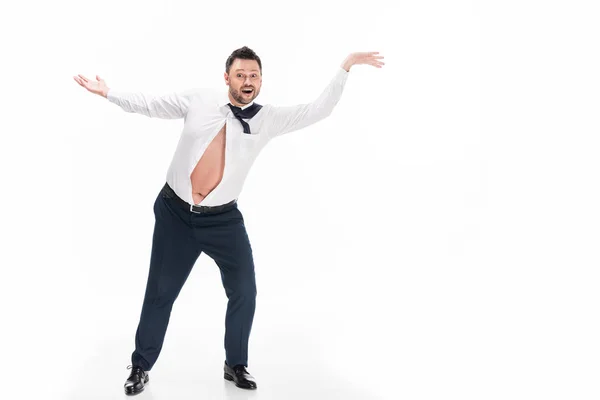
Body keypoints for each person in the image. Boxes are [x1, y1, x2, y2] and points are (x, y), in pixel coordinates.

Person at [73, 46, 384, 396]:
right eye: (240, 75)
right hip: (175, 214)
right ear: (227, 78)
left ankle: (235, 363)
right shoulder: (200, 100)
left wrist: (346, 66)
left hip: (223, 221)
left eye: (253, 76)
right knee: (160, 294)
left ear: (261, 80)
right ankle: (141, 366)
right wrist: (110, 92)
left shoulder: (267, 120)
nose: (247, 81)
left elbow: (319, 109)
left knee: (245, 291)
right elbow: (151, 104)